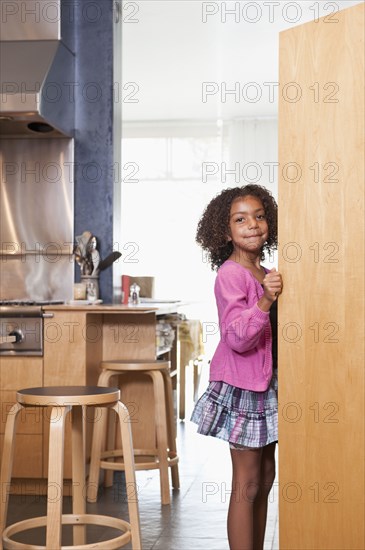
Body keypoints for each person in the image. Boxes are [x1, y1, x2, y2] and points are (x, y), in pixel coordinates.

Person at [191, 184, 283, 550]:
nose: (253, 225)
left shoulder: (265, 272)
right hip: (243, 386)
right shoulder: (230, 275)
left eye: (260, 216)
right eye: (240, 219)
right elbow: (237, 338)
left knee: (265, 473)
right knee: (247, 479)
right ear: (225, 231)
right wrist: (266, 300)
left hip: (267, 384)